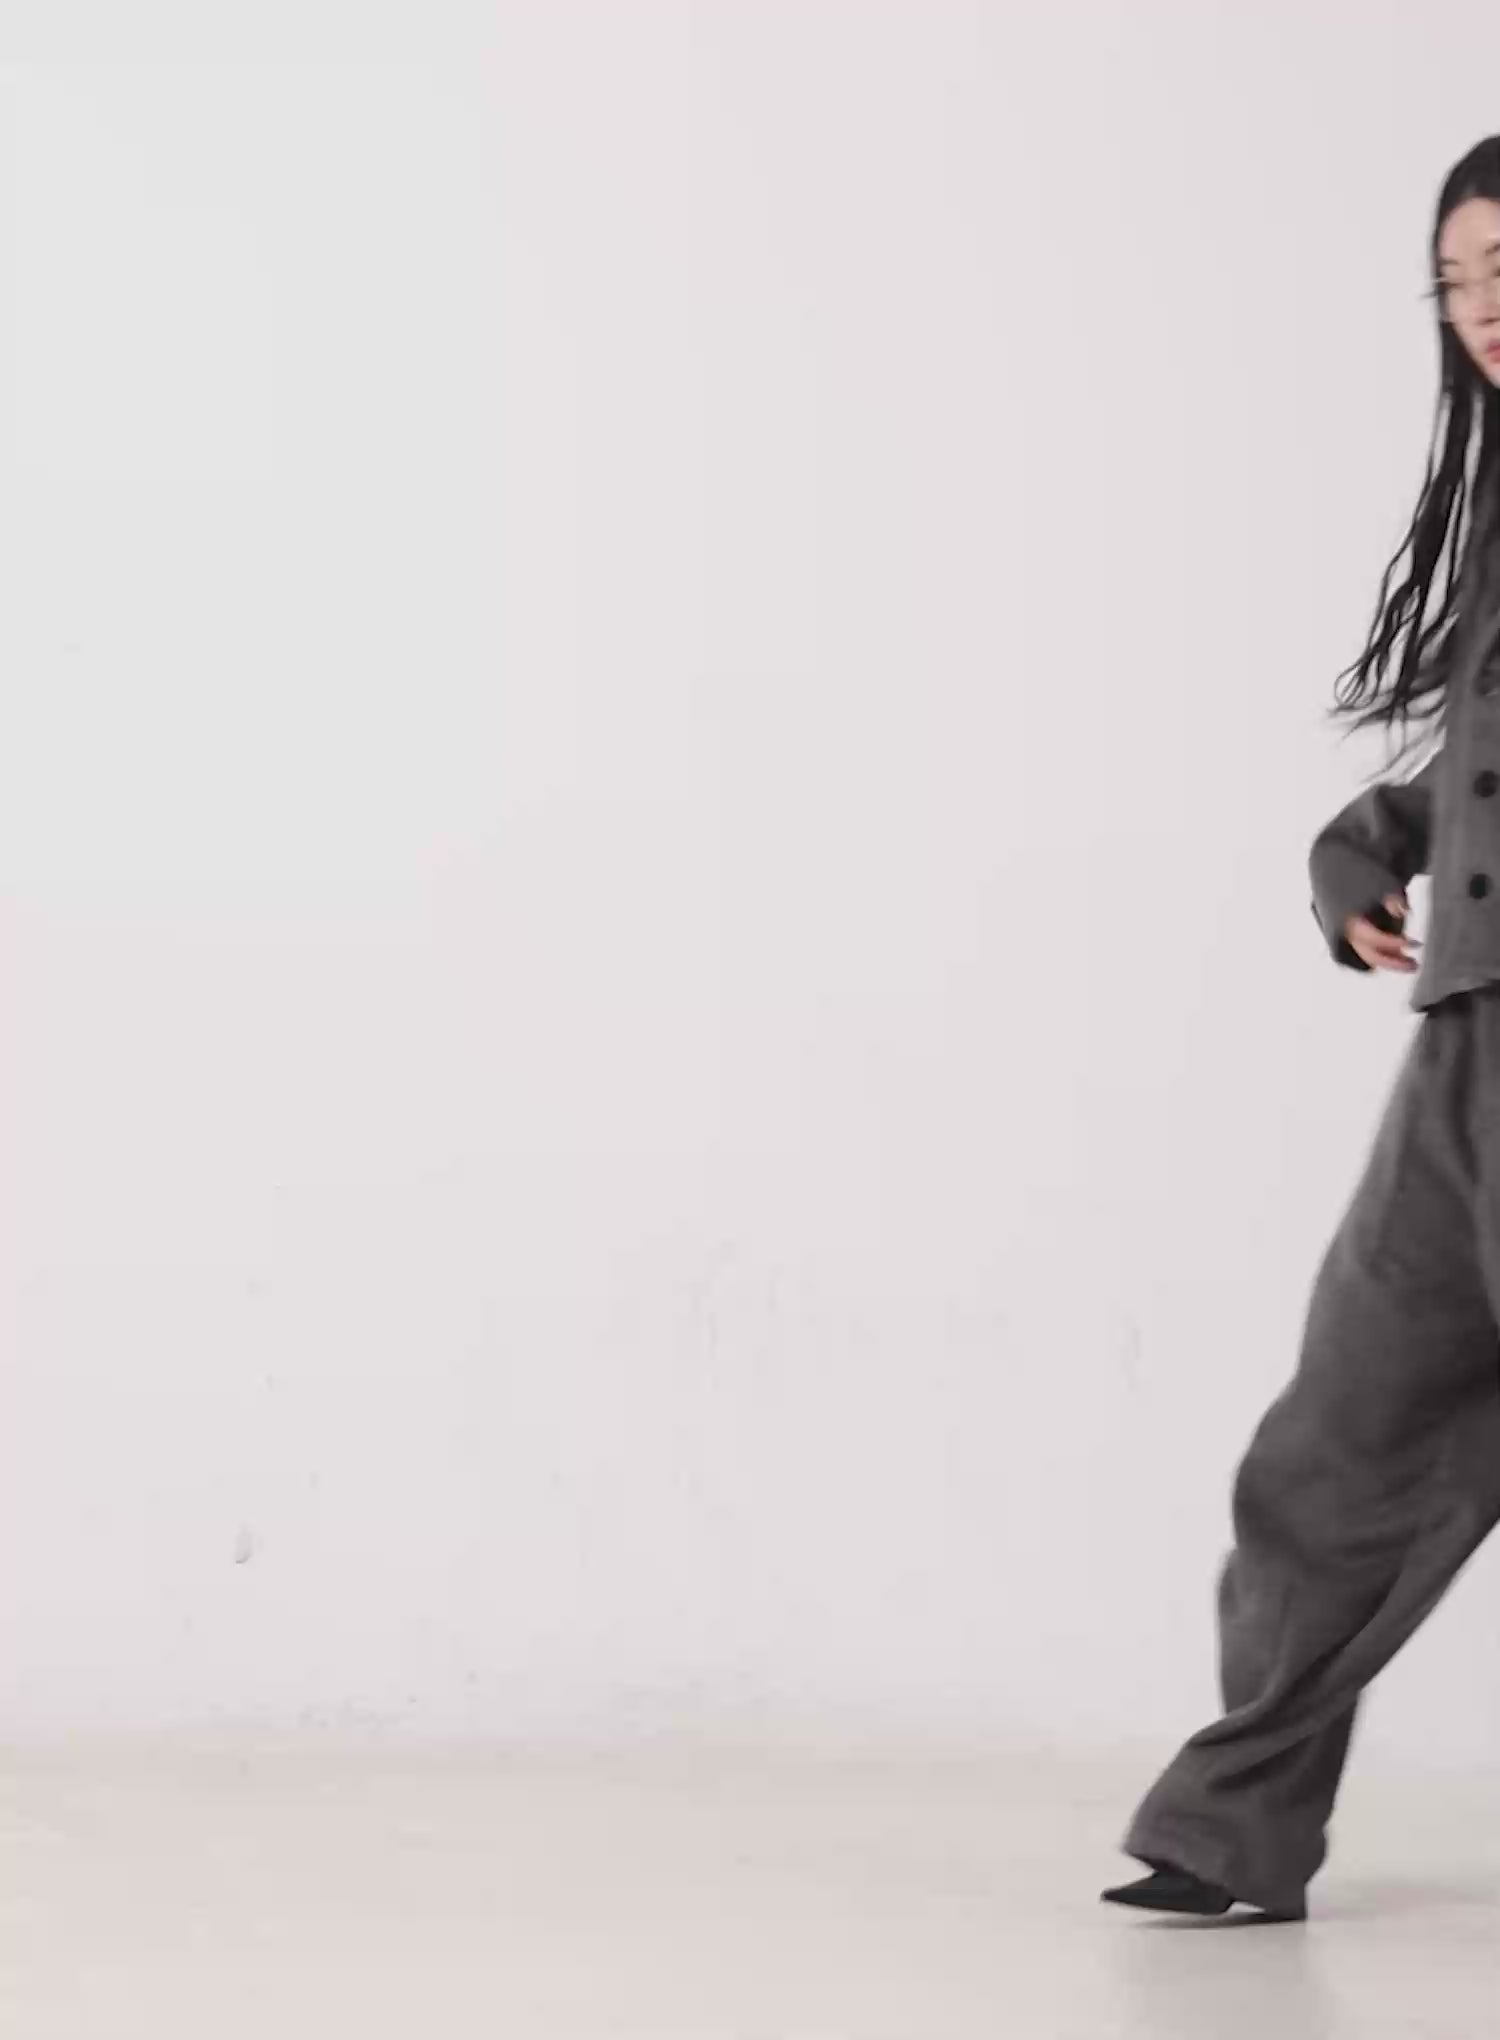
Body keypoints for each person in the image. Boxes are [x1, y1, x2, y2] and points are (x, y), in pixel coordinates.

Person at [1101, 133, 1500, 1924]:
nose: (1483, 312)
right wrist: (1370, 844)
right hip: (1465, 1054)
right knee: (1337, 1449)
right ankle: (1233, 1831)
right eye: (1457, 283)